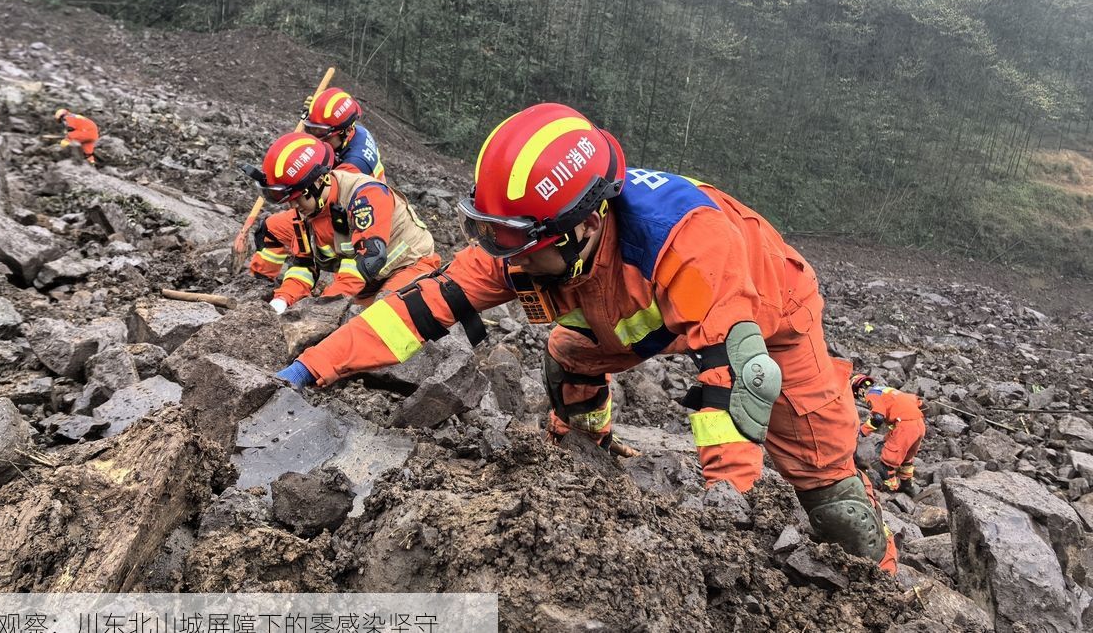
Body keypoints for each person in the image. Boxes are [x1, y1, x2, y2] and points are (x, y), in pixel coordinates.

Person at [275, 103, 897, 572]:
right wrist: (309, 369)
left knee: (829, 487)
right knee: (568, 360)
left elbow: (734, 384)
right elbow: (415, 312)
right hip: (629, 309)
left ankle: (885, 587)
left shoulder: (690, 244)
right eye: (492, 234)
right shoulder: (526, 242)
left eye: (518, 243)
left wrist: (719, 524)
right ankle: (586, 449)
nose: (502, 257)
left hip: (767, 316)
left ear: (584, 224)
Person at [247, 131, 439, 315]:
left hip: (411, 266)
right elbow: (303, 267)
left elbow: (370, 259)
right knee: (346, 326)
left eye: (298, 198)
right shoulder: (305, 213)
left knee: (381, 320)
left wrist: (322, 306)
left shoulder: (366, 196)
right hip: (370, 282)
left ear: (319, 181)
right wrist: (281, 300)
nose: (293, 205)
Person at [852, 373, 926, 496]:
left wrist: (862, 431)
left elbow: (878, 418)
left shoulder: (872, 395)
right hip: (919, 425)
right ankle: (907, 486)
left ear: (860, 390)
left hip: (905, 427)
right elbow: (919, 402)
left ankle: (891, 490)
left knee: (886, 463)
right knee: (906, 459)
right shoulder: (887, 391)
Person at [302, 87, 385, 180]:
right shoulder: (355, 131)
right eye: (312, 129)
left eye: (322, 133)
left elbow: (324, 190)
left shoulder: (352, 166)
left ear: (347, 130)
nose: (314, 139)